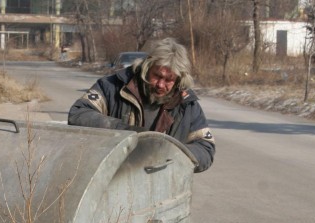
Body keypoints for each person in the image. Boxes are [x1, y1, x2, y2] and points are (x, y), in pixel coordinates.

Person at [68, 37, 215, 173]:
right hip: (112, 178)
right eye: (156, 76)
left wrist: (171, 154)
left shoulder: (186, 105)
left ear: (179, 80)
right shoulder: (113, 87)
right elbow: (79, 113)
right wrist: (123, 130)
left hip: (162, 189)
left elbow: (205, 147)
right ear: (146, 67)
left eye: (169, 80)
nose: (160, 84)